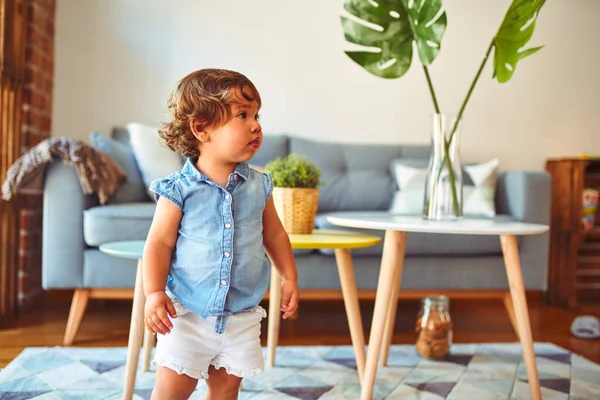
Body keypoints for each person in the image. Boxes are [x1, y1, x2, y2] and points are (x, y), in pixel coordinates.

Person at [142, 68, 299, 400]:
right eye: (243, 115)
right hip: (186, 315)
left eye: (256, 115)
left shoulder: (260, 185)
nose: (256, 125)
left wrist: (289, 278)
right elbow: (159, 243)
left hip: (240, 316)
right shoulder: (179, 189)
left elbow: (275, 235)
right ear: (202, 129)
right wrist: (154, 293)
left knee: (226, 391)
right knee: (172, 392)